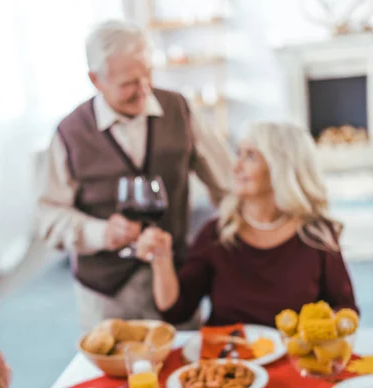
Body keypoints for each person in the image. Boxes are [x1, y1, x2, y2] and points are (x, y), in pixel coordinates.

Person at [37, 20, 234, 332]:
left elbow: (227, 183)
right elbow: (49, 217)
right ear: (95, 80)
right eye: (129, 82)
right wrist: (100, 233)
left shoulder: (180, 109)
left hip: (177, 282)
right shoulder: (68, 133)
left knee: (186, 373)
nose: (143, 88)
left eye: (148, 74)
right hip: (105, 295)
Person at [136, 122, 358, 327]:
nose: (235, 167)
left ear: (280, 168)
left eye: (250, 156)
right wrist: (161, 259)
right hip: (228, 363)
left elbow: (345, 309)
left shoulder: (317, 234)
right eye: (238, 154)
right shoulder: (217, 233)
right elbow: (176, 311)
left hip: (294, 363)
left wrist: (324, 328)